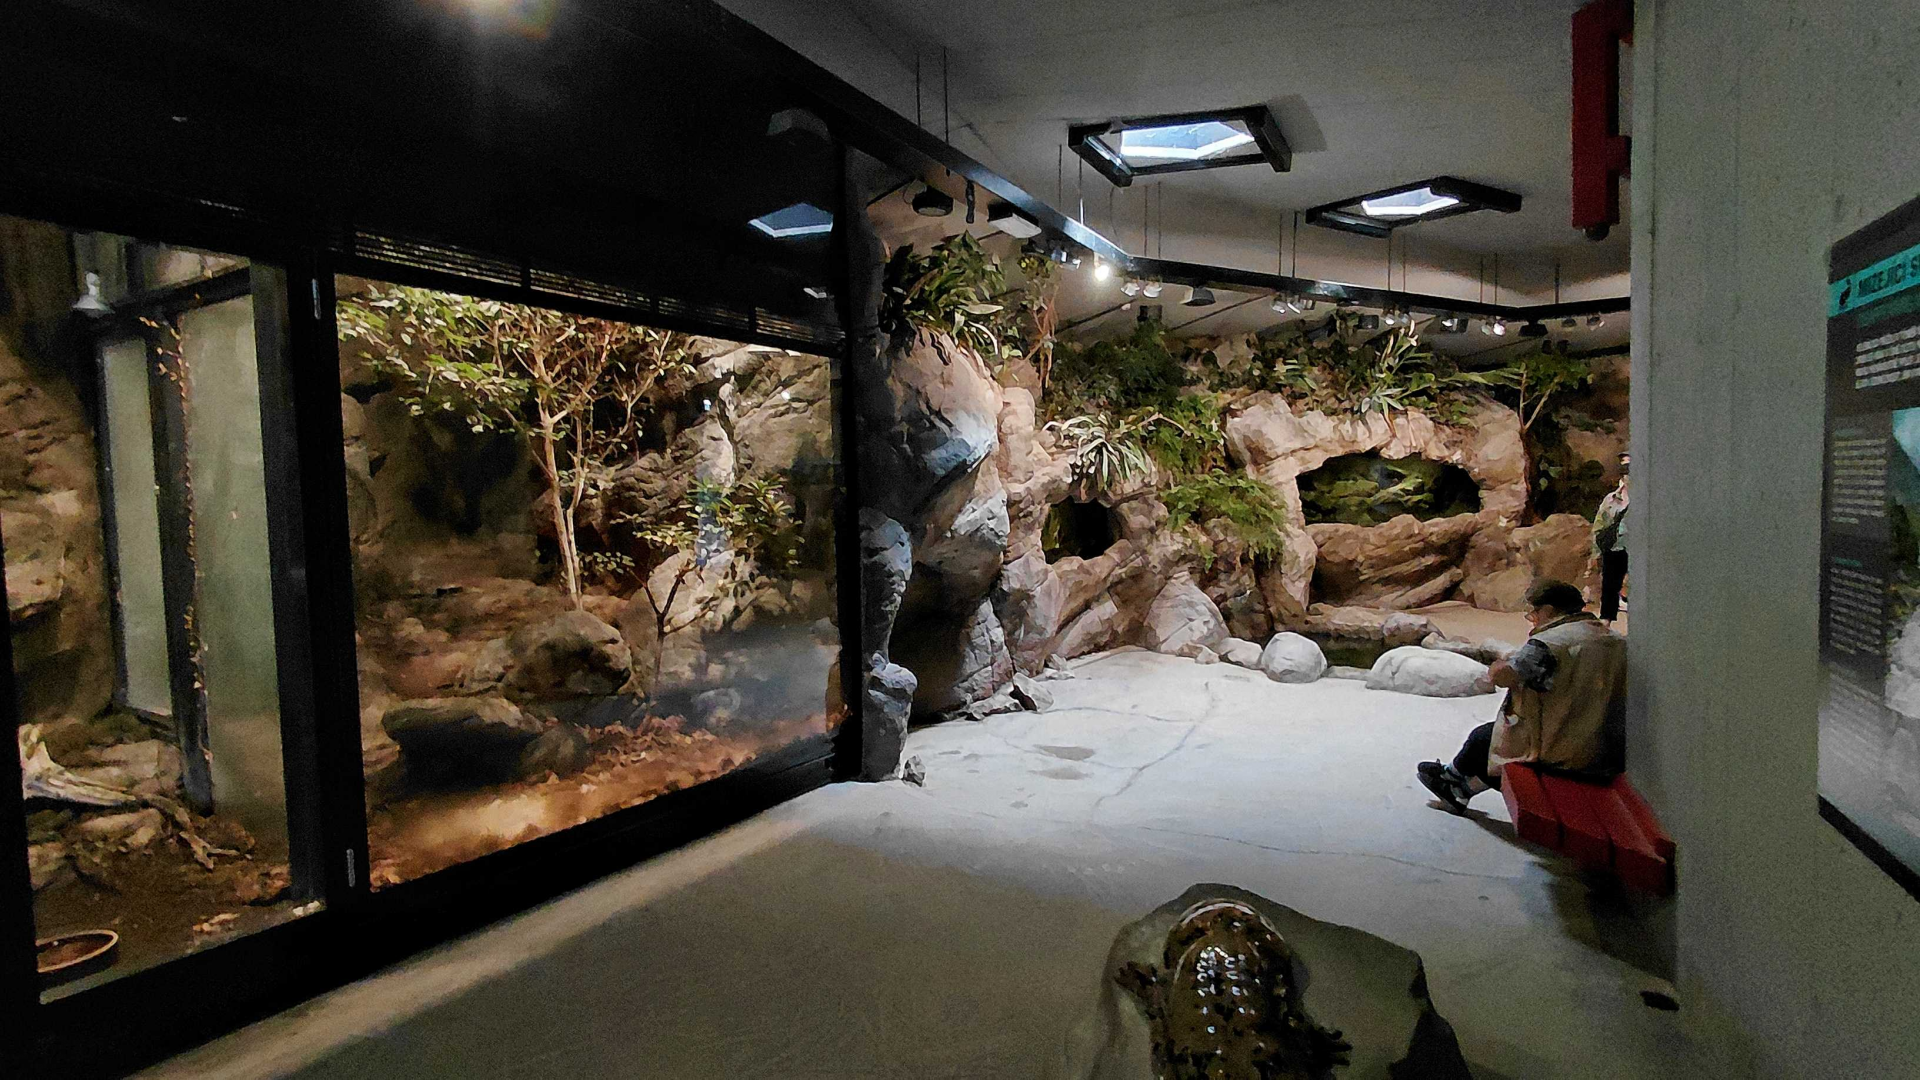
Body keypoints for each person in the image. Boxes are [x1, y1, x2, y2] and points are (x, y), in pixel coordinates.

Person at [1417, 578, 1628, 813]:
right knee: (1495, 742)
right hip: (1601, 745)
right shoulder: (1612, 639)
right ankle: (1459, 788)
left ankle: (1450, 779)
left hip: (1563, 748)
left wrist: (1498, 665)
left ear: (1548, 610)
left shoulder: (1548, 643)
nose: (1532, 618)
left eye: (1533, 612)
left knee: (1489, 740)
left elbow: (1504, 676)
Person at [1591, 453, 1630, 623]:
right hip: (1615, 547)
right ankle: (1606, 618)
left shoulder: (1648, 499)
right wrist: (1596, 552)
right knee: (1609, 584)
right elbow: (1600, 524)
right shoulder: (1612, 499)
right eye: (1626, 473)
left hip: (1638, 549)